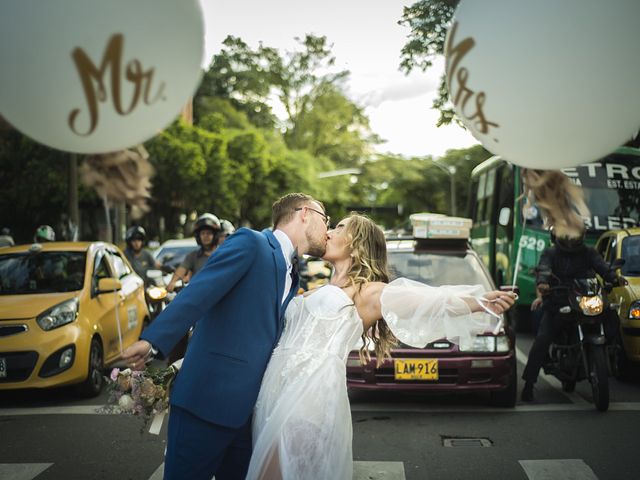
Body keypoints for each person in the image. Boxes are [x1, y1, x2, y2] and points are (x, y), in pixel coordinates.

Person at [246, 213, 516, 479]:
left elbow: (430, 299)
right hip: (275, 390)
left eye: (340, 227)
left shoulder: (368, 292)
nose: (329, 231)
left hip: (310, 392)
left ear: (358, 242)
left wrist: (480, 301)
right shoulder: (313, 290)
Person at [122, 193, 330, 480]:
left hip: (248, 415)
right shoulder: (253, 243)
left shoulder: (293, 272)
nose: (327, 229)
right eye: (325, 219)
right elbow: (200, 290)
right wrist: (154, 340)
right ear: (304, 213)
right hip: (205, 404)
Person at [521, 226, 622, 402]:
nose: (571, 237)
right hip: (558, 301)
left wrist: (613, 276)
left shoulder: (588, 252)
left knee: (611, 316)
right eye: (568, 233)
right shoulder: (551, 253)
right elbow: (544, 268)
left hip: (584, 299)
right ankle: (529, 384)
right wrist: (543, 282)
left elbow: (601, 266)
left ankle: (616, 359)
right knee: (542, 340)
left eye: (574, 233)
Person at [165, 213, 222, 365]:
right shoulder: (193, 256)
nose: (206, 236)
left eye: (209, 233)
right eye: (203, 233)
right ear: (198, 236)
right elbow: (181, 270)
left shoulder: (221, 253)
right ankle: (173, 369)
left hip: (218, 302)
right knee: (179, 329)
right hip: (197, 301)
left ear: (215, 235)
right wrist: (172, 283)